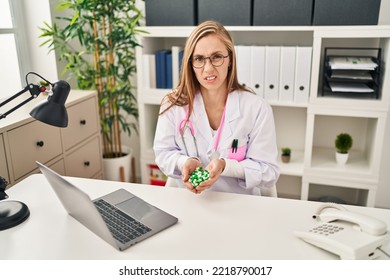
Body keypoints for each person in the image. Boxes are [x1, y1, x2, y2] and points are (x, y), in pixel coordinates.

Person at [153, 20, 280, 195]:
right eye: (199, 59)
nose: (208, 68)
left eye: (216, 57)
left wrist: (226, 167)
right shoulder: (173, 104)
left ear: (229, 59)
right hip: (189, 201)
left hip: (239, 205)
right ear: (191, 63)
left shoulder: (257, 108)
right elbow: (163, 154)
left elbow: (269, 172)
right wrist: (184, 162)